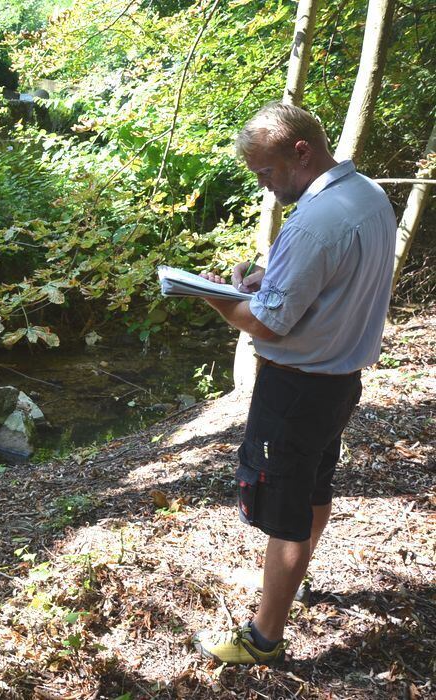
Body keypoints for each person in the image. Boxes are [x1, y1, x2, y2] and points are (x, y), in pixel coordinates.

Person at [191, 102, 396, 664]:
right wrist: (264, 277)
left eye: (266, 171)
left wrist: (214, 297)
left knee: (283, 507)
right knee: (312, 488)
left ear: (300, 152)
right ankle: (292, 582)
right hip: (339, 381)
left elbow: (266, 323)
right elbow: (328, 279)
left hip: (295, 387)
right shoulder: (368, 196)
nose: (263, 183)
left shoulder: (313, 221)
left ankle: (264, 638)